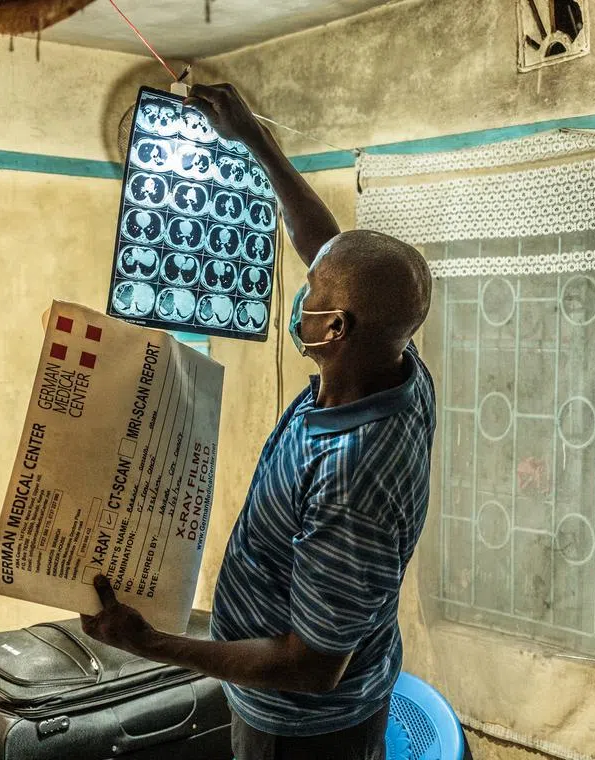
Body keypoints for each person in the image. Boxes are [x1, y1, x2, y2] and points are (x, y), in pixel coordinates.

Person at [82, 82, 436, 760]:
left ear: (333, 329)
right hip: (304, 706)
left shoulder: (350, 478)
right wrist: (255, 140)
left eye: (313, 293)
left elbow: (312, 665)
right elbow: (330, 250)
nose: (301, 289)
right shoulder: (393, 364)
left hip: (303, 730)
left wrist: (150, 644)